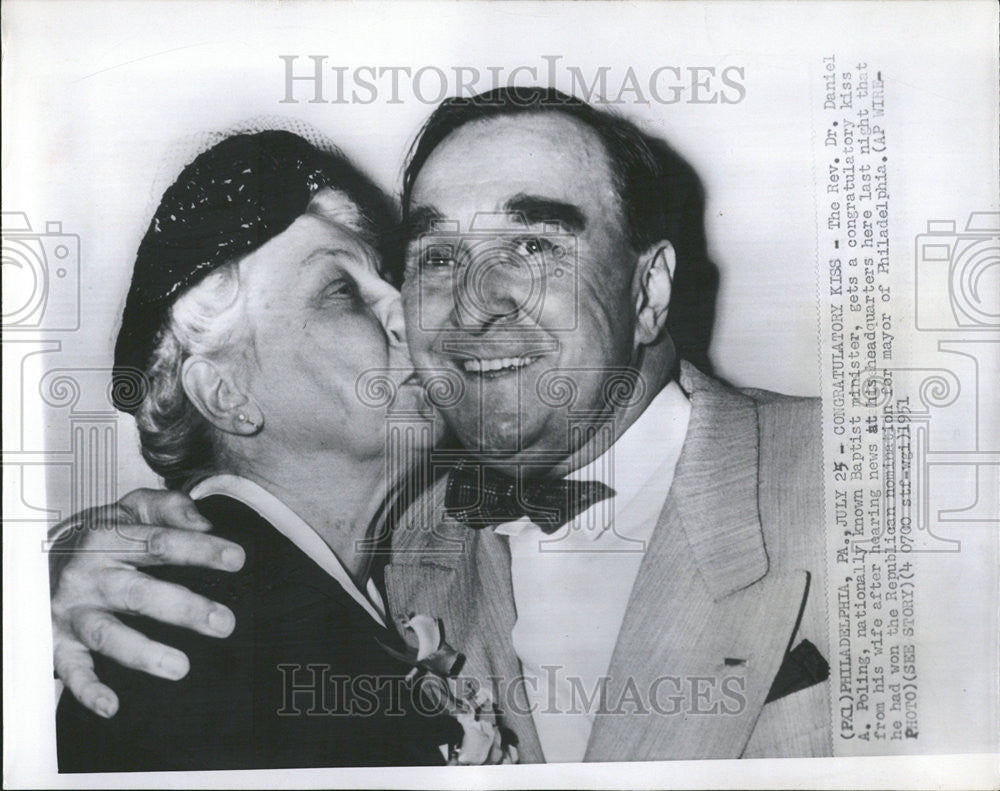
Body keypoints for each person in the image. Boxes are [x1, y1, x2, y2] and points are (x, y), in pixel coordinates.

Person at [51, 89, 831, 762]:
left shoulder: (851, 484)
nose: (470, 303)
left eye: (532, 244)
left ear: (649, 290)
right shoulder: (388, 556)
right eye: (434, 258)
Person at [52, 128, 514, 771]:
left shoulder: (319, 595)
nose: (411, 315)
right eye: (341, 293)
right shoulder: (184, 643)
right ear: (227, 393)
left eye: (387, 282)